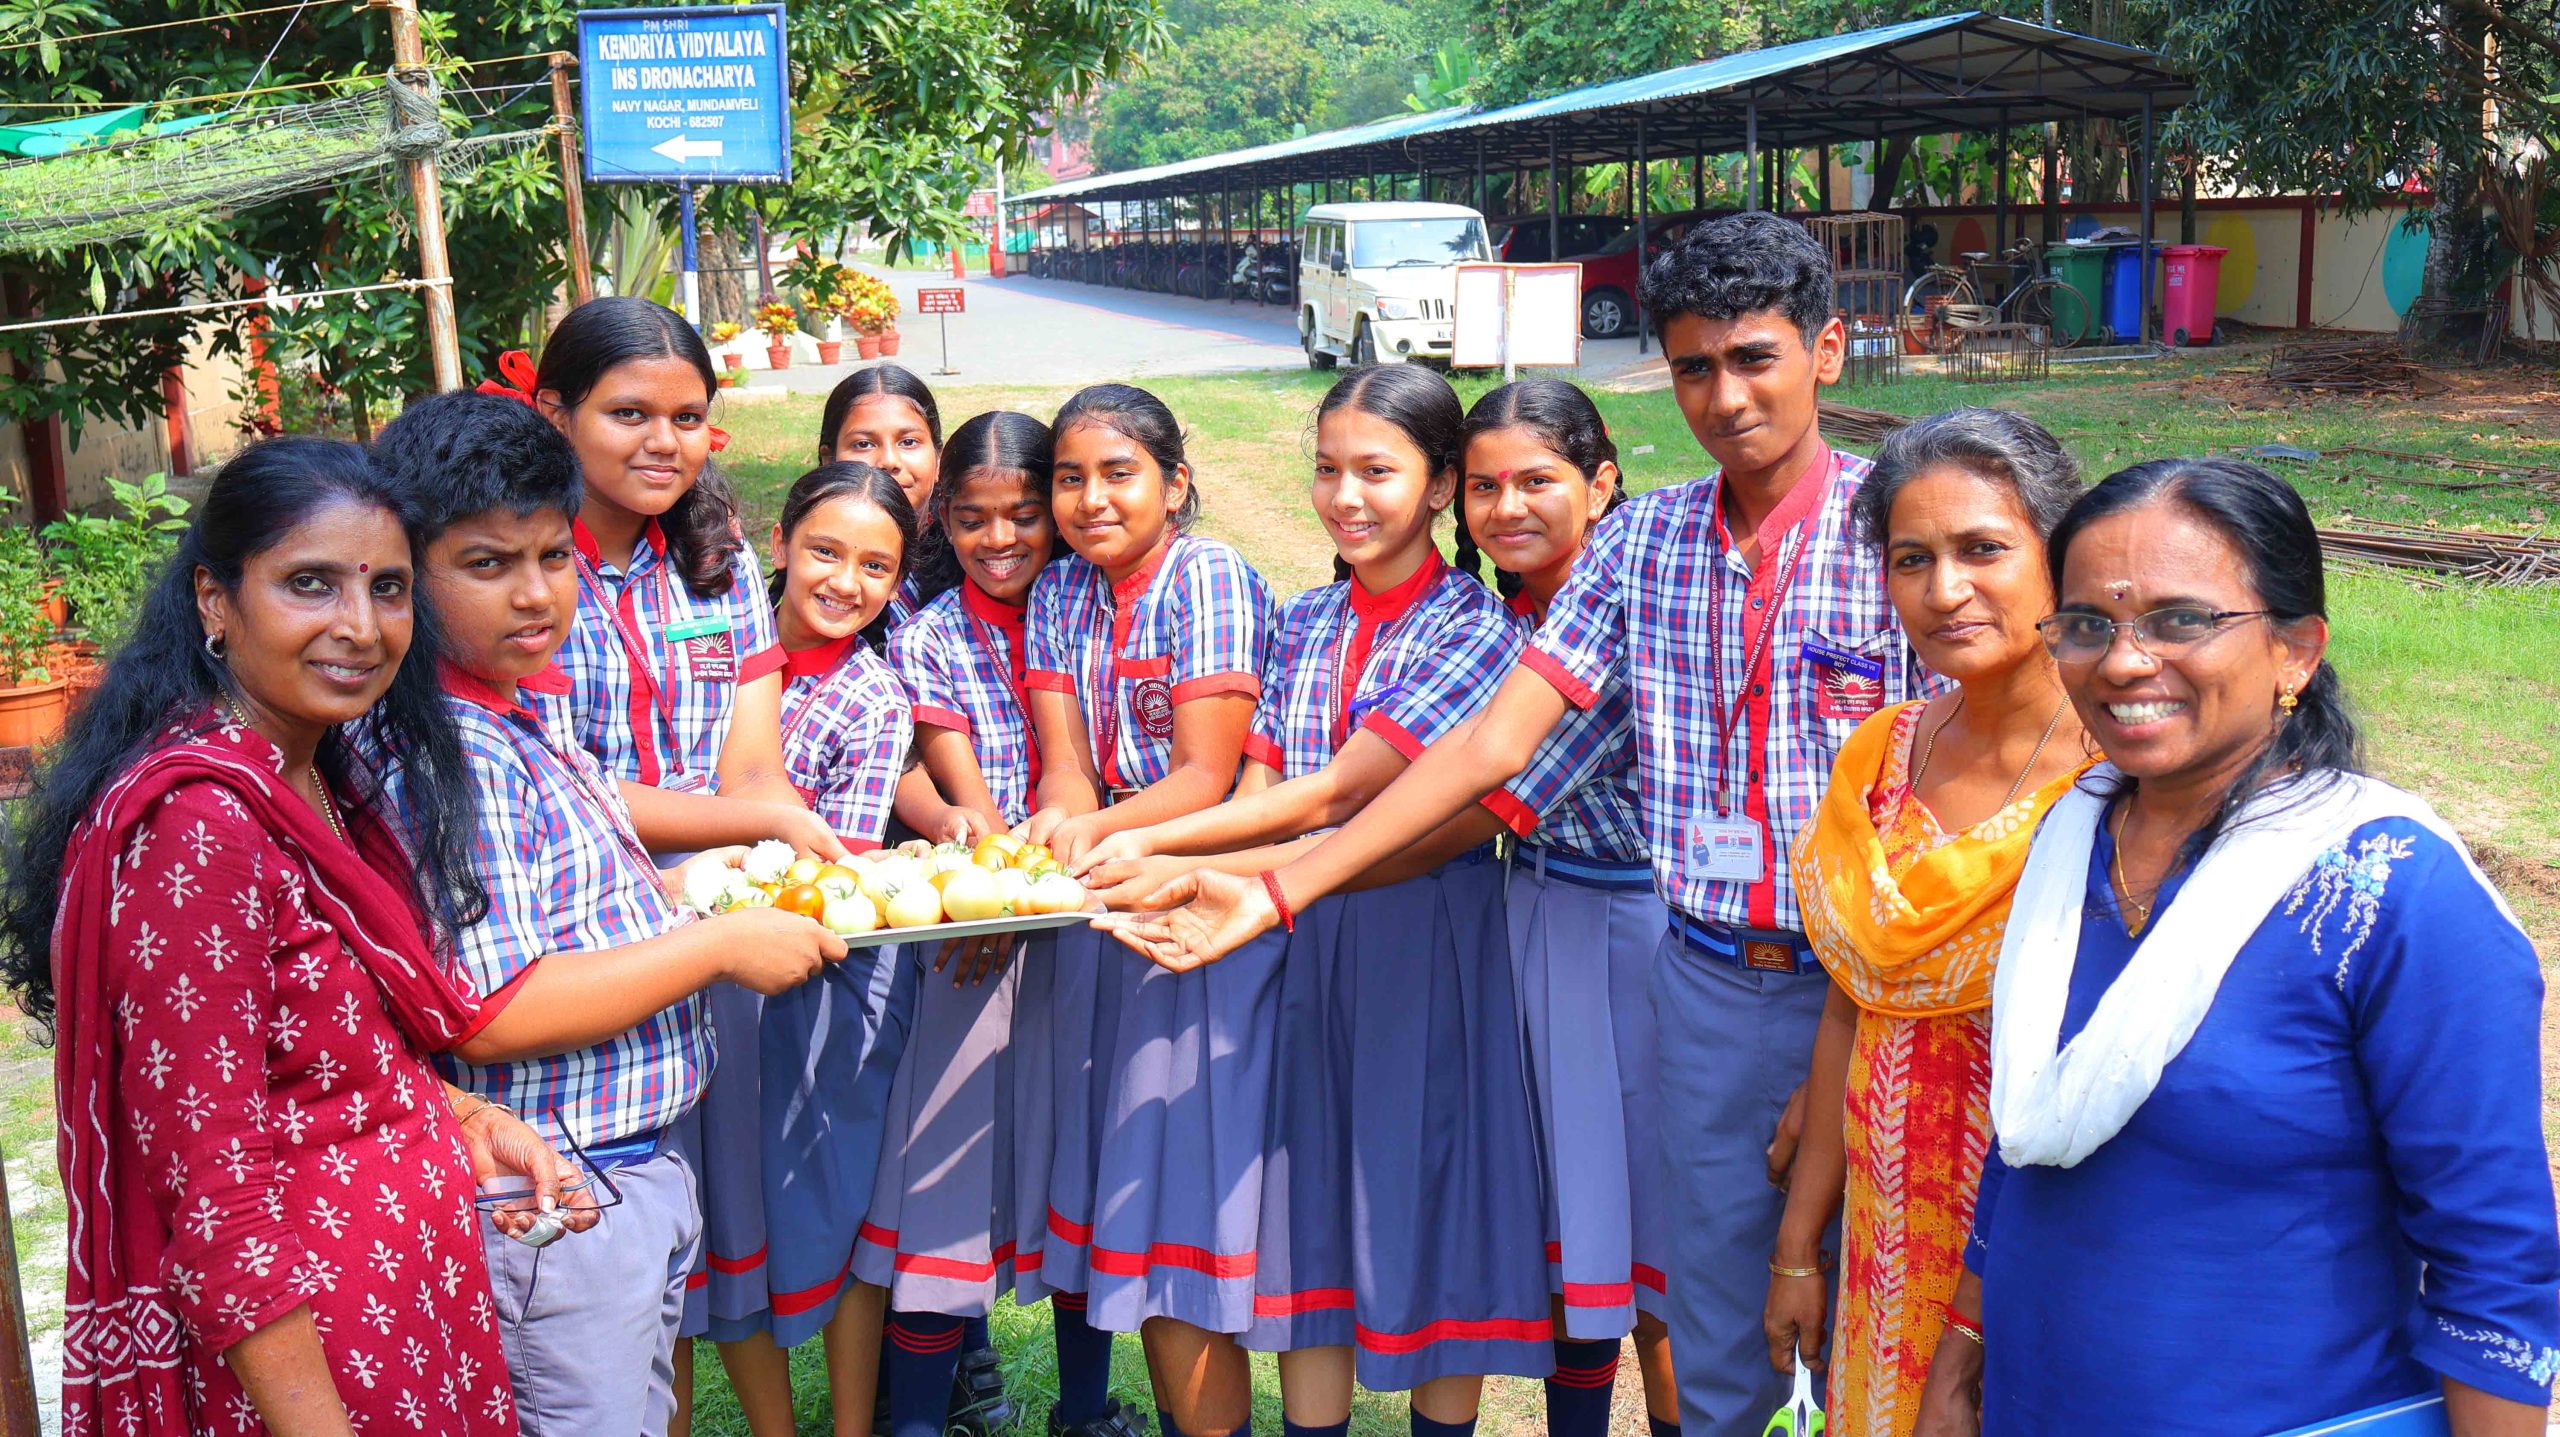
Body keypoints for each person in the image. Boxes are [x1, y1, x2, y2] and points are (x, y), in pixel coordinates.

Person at [1096, 211, 1938, 1435]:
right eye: (1693, 366)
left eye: (1754, 358)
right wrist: (1278, 888)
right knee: (1715, 1317)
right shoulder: (1643, 545)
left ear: (1828, 350)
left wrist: (1266, 869)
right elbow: (1495, 751)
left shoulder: (1901, 531)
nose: (1724, 397)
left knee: (1899, 1318)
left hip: (1881, 990)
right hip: (1702, 979)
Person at [1914, 459, 2560, 1434]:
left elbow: (2493, 1261)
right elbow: (2028, 1122)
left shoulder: (2388, 894)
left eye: (2180, 620)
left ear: (2295, 651)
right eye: (2086, 623)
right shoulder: (2068, 840)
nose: (2123, 662)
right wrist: (1964, 1343)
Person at [0, 437, 590, 1437]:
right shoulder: (197, 827)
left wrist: (456, 1113)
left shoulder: (310, 774)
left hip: (409, 1311)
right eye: (310, 583)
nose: (359, 626)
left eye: (388, 588)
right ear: (214, 599)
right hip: (311, 1366)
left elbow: (319, 1044)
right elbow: (215, 1199)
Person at [1072, 366, 1545, 1437]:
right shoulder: (1312, 615)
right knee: (1310, 1208)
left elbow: (1337, 792)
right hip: (1297, 935)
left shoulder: (1473, 626)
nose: (1345, 496)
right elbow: (1260, 793)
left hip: (1424, 937)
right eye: (1328, 470)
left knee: (1429, 1200)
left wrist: (1140, 837)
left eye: (1376, 471)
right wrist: (1181, 867)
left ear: (1439, 486)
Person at [368, 391, 844, 1436]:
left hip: (619, 1165)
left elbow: (561, 901)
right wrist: (718, 945)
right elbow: (495, 1008)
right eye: (487, 564)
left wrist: (690, 883)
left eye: (553, 557)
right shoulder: (458, 757)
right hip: (551, 1186)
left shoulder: (515, 711)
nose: (535, 593)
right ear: (400, 574)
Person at [513, 296, 847, 1424]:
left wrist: (792, 838)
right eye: (629, 414)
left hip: (720, 935)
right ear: (553, 414)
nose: (663, 441)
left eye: (688, 416)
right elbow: (553, 781)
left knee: (707, 1228)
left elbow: (753, 765)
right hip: (579, 952)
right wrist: (747, 832)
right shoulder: (520, 570)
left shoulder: (713, 558)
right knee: (612, 1252)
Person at [1759, 409, 2091, 1437]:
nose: (1944, 591)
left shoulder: (2115, 779)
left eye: (1983, 549)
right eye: (1912, 559)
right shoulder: (1879, 757)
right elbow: (1849, 1011)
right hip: (1888, 1239)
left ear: (2059, 557)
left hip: (2043, 1243)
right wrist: (1798, 1249)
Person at [1016, 383, 1277, 1437]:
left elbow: (1205, 778)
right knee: (1126, 1200)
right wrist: (1058, 823)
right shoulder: (1058, 590)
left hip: (1198, 906)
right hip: (1105, 911)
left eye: (1117, 473)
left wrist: (1092, 839)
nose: (1090, 500)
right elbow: (1066, 766)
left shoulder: (1207, 576)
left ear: (1175, 483)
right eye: (1068, 478)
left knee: (1181, 1207)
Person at [1450, 380, 1682, 1437]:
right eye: (1483, 486)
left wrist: (1289, 872)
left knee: (1657, 1238)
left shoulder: (1630, 608)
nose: (1507, 508)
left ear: (1602, 483)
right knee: (1568, 1225)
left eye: (1537, 481)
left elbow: (1494, 791)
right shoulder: (1496, 618)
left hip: (1641, 936)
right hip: (1534, 915)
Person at [861, 410, 1059, 1437]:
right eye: (973, 517)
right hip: (976, 930)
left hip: (1089, 917)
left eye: (1024, 514)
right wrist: (985, 866)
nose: (1000, 539)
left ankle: (1084, 1406)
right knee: (942, 1182)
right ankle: (916, 1420)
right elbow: (959, 791)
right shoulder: (930, 634)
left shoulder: (1083, 608)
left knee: (1079, 1174)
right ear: (942, 517)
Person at [740, 460, 931, 1435]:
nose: (845, 581)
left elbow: (835, 875)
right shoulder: (715, 651)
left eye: (876, 566)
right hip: (700, 972)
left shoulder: (873, 696)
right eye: (824, 550)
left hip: (830, 972)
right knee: (737, 1213)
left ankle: (852, 1425)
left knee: (835, 1201)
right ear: (779, 544)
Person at [818, 364, 945, 630]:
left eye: (908, 442)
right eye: (864, 444)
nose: (888, 461)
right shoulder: (813, 561)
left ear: (938, 458)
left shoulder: (969, 549)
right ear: (829, 460)